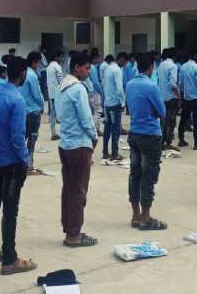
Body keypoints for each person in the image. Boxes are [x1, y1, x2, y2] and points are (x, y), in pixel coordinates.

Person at [0, 56, 37, 275]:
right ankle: (10, 258)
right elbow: (17, 136)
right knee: (10, 209)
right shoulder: (17, 99)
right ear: (22, 74)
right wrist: (25, 159)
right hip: (11, 162)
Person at [57, 51, 98, 247]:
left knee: (69, 189)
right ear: (77, 68)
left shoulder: (62, 87)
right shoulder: (78, 89)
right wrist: (94, 137)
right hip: (79, 144)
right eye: (87, 68)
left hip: (66, 144)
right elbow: (86, 119)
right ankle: (74, 234)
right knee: (78, 191)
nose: (89, 72)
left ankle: (70, 227)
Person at [125, 52, 167, 230]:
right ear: (151, 68)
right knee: (148, 175)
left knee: (134, 174)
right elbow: (162, 112)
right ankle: (146, 217)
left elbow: (130, 107)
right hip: (150, 134)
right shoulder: (151, 86)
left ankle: (136, 214)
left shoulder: (130, 84)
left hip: (134, 132)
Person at [21, 52, 44, 175]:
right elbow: (37, 94)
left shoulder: (22, 73)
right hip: (33, 111)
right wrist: (42, 106)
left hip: (22, 111)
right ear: (34, 62)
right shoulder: (32, 75)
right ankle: (29, 165)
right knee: (32, 139)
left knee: (22, 138)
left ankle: (20, 163)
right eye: (38, 63)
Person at [178, 52, 197, 150]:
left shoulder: (183, 67)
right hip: (196, 97)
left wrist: (181, 94)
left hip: (186, 97)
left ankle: (181, 139)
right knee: (196, 121)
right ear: (196, 57)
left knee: (183, 119)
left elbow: (180, 83)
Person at [101, 54, 125, 161]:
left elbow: (104, 85)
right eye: (124, 62)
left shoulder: (107, 69)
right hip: (115, 103)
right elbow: (119, 88)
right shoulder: (117, 70)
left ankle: (105, 152)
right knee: (116, 129)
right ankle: (115, 154)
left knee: (107, 129)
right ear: (122, 60)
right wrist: (122, 102)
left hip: (107, 103)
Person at [157, 48, 181, 151]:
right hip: (171, 97)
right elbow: (173, 84)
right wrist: (179, 96)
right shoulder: (173, 66)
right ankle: (168, 142)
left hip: (162, 96)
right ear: (174, 56)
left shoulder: (161, 65)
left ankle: (161, 142)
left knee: (163, 120)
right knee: (171, 121)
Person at [46, 50, 64, 140]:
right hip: (58, 92)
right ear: (56, 57)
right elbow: (61, 81)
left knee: (53, 113)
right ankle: (63, 132)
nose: (62, 59)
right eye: (61, 57)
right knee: (61, 112)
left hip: (51, 92)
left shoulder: (49, 67)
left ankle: (53, 132)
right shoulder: (57, 67)